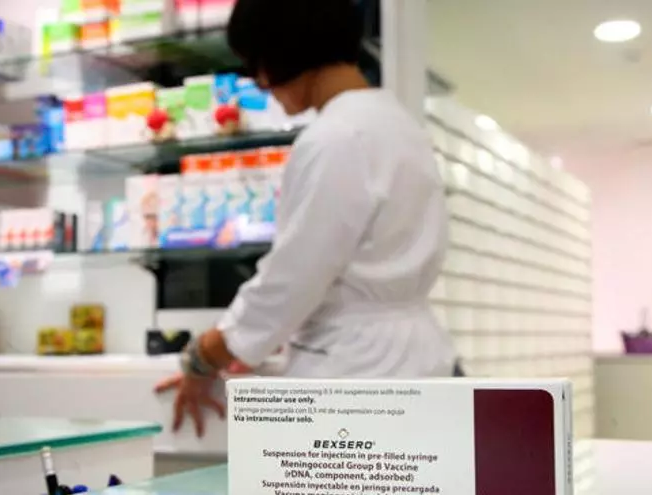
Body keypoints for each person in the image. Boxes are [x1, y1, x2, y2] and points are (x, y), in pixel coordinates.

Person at [154, 0, 457, 437]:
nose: (260, 82)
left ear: (285, 50)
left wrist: (204, 355)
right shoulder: (400, 124)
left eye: (256, 63)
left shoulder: (334, 138)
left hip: (355, 370)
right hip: (416, 359)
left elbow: (293, 278)